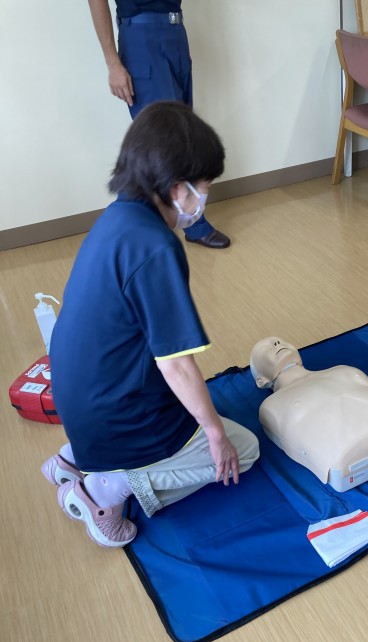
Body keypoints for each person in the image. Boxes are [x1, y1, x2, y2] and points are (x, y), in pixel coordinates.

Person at [41, 102, 259, 548]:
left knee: (201, 413)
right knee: (244, 449)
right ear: (178, 188)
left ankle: (75, 459)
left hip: (80, 401)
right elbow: (175, 364)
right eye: (205, 186)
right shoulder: (156, 247)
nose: (205, 198)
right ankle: (104, 490)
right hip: (116, 413)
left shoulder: (117, 216)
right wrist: (215, 434)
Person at [87, 0, 230, 248]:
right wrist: (112, 63)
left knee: (183, 136)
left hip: (175, 32)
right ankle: (120, 232)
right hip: (141, 38)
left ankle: (190, 221)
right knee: (161, 141)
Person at [250, 337, 368, 491]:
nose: (277, 343)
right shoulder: (271, 406)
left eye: (280, 340)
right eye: (266, 348)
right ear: (260, 380)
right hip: (349, 455)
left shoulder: (344, 371)